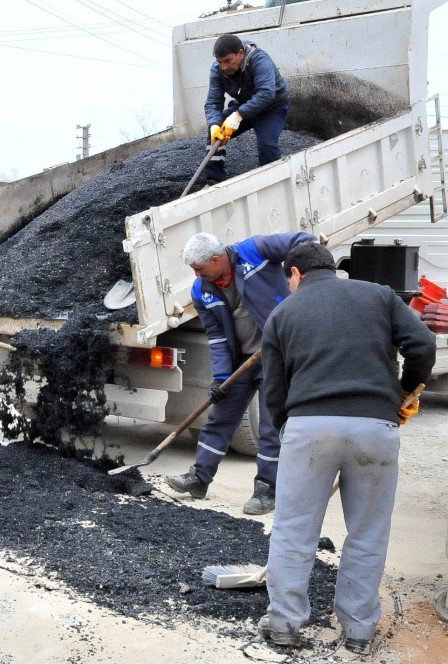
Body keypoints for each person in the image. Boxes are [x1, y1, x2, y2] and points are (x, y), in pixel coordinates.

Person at [258, 243, 436, 653]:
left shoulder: (283, 314)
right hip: (375, 424)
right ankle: (358, 631)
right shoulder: (378, 295)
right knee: (367, 532)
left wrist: (290, 428)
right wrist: (405, 389)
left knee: (293, 530)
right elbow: (423, 345)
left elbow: (274, 389)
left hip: (309, 426)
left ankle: (284, 623)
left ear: (296, 274)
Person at [164, 231, 314, 514]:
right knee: (220, 417)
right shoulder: (202, 290)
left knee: (270, 425)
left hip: (277, 355)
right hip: (242, 361)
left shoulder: (254, 251)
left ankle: (266, 491)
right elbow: (217, 337)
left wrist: (302, 277)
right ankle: (199, 478)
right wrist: (221, 377)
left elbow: (305, 240)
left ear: (217, 259)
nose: (196, 274)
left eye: (199, 268)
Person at [204, 33, 290, 186]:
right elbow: (213, 102)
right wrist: (214, 124)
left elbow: (266, 93)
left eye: (228, 61)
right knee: (215, 133)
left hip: (272, 107)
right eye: (220, 62)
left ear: (241, 53)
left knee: (267, 146)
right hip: (244, 105)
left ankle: (272, 182)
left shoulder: (260, 60)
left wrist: (237, 116)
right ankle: (213, 179)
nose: (223, 67)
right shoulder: (217, 69)